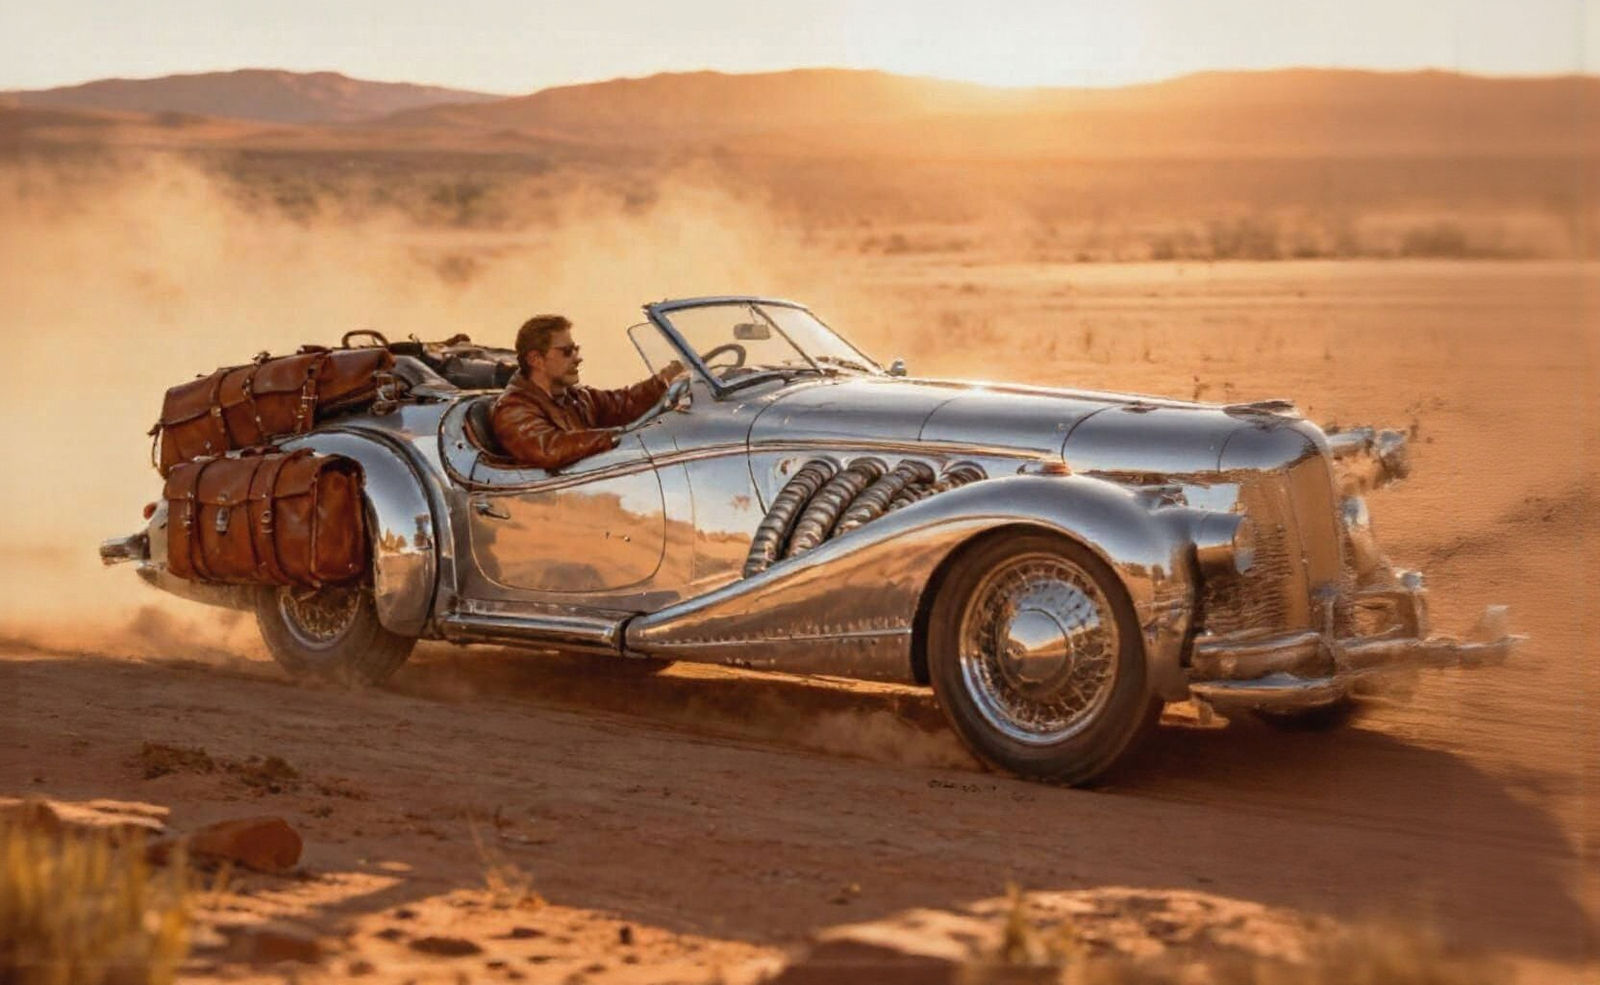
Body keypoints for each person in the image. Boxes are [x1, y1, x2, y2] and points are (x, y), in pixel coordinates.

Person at [492, 314, 684, 470]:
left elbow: (623, 403)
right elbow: (548, 448)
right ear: (536, 359)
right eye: (567, 352)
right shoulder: (513, 408)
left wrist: (661, 382)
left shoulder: (576, 397)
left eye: (576, 349)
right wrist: (615, 437)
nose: (577, 358)